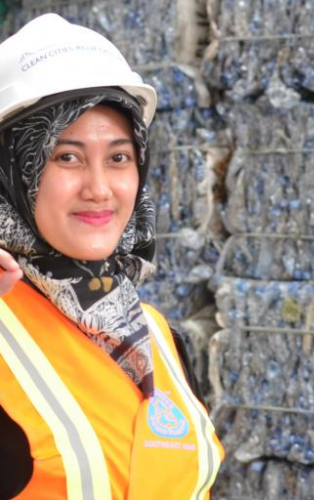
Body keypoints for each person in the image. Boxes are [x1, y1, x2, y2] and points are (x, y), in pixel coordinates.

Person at [0, 13, 223, 500]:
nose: (99, 189)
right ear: (11, 173)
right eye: (66, 157)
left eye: (118, 157)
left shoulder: (159, 337)